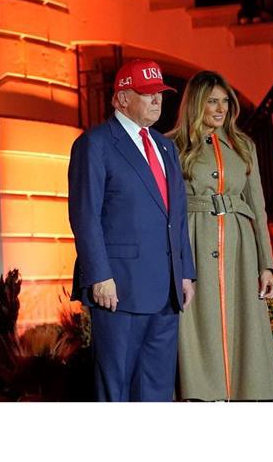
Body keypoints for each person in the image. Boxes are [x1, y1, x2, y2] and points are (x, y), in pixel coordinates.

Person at [69, 59, 196, 401]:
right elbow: (85, 215)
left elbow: (177, 217)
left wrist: (185, 273)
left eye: (161, 93)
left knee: (157, 388)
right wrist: (99, 276)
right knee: (117, 386)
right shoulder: (94, 144)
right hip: (119, 289)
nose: (158, 100)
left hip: (166, 290)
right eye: (148, 93)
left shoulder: (166, 147)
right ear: (122, 99)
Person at [169, 70, 273, 400]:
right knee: (197, 326)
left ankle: (243, 398)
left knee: (242, 324)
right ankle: (202, 396)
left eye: (225, 102)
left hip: (239, 247)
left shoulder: (243, 145)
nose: (220, 109)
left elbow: (257, 207)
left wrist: (267, 265)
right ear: (196, 105)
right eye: (212, 102)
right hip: (194, 240)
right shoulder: (173, 145)